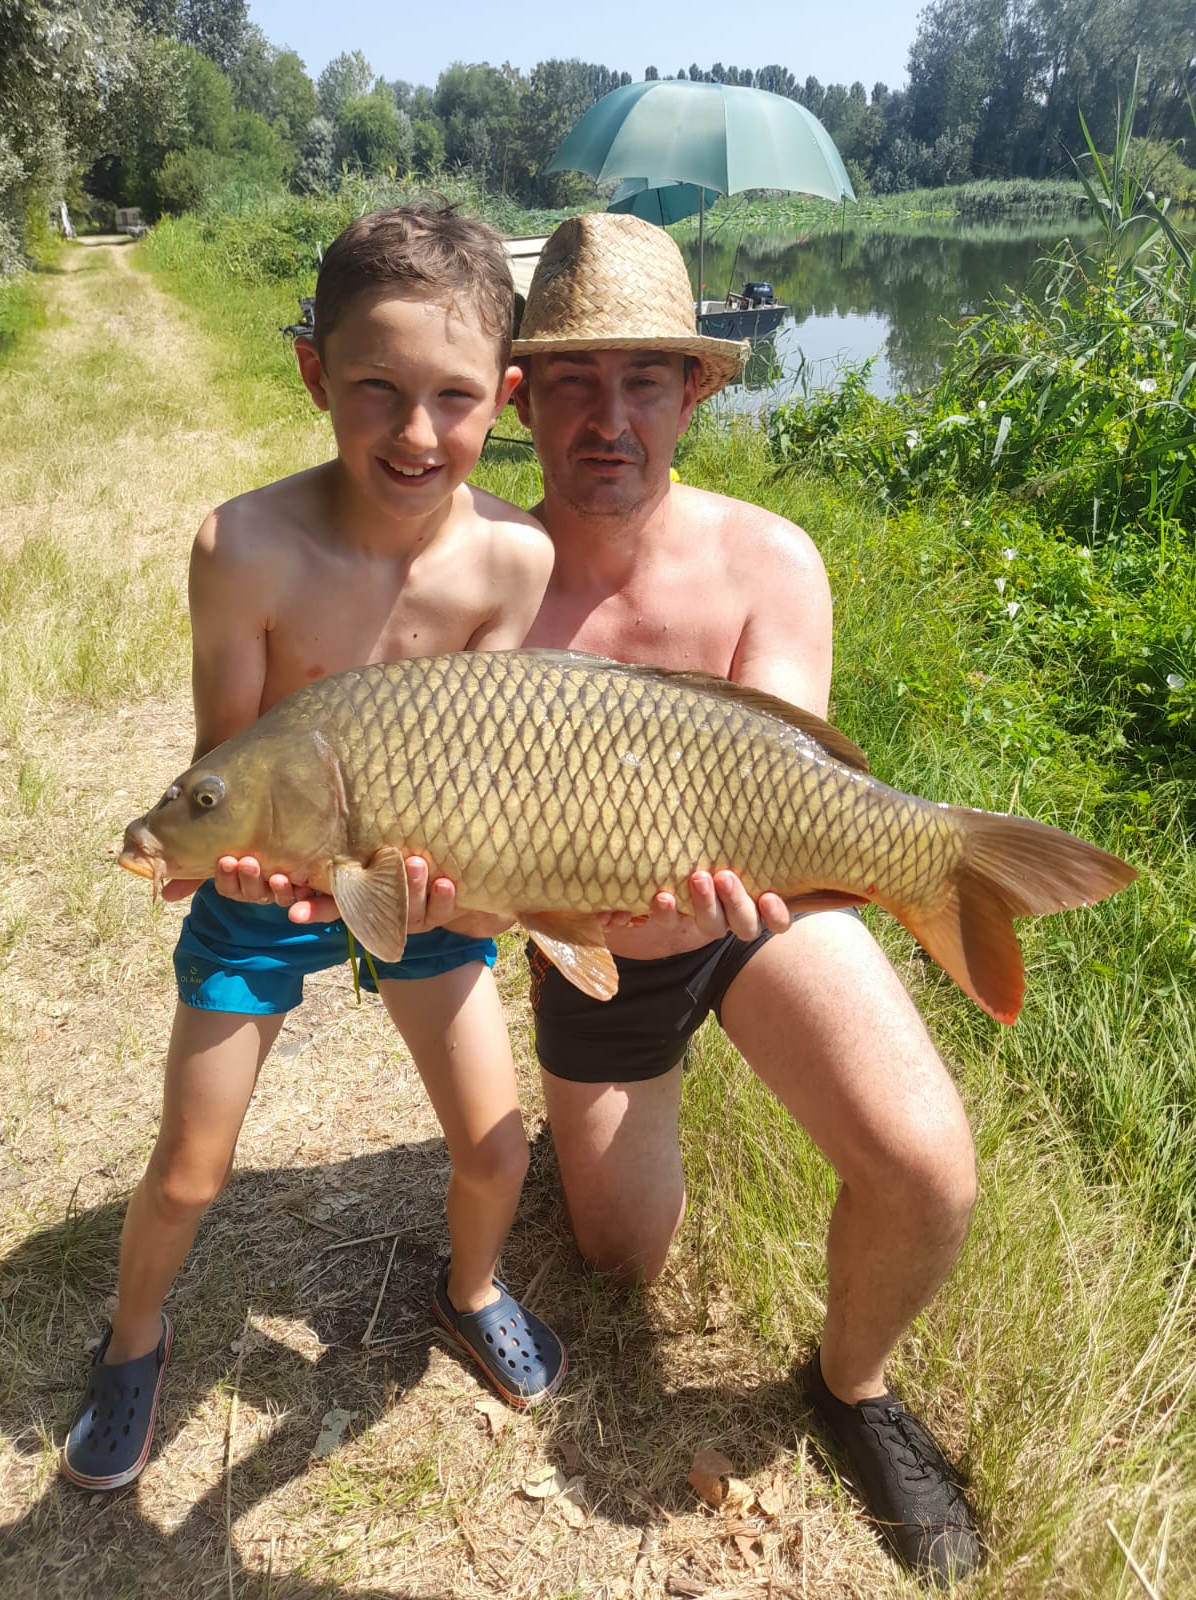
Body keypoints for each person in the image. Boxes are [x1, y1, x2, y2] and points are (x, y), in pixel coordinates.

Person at [410, 212, 982, 1586]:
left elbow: (771, 795)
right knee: (621, 1259)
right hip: (589, 948)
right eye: (573, 382)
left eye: (645, 380)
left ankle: (852, 1387)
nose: (609, 419)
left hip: (758, 923)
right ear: (520, 399)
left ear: (695, 393)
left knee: (928, 1171)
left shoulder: (772, 560)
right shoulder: (470, 575)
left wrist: (805, 872)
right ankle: (612, 1109)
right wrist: (449, 899)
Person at [62, 205, 565, 1494]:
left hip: (420, 885)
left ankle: (470, 1288)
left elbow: (495, 774)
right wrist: (211, 862)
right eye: (376, 388)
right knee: (190, 1170)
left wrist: (468, 896)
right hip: (265, 886)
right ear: (313, 373)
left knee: (497, 1150)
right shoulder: (244, 547)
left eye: (455, 398)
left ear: (504, 399)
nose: (416, 432)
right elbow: (225, 765)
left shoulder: (515, 558)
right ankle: (133, 1335)